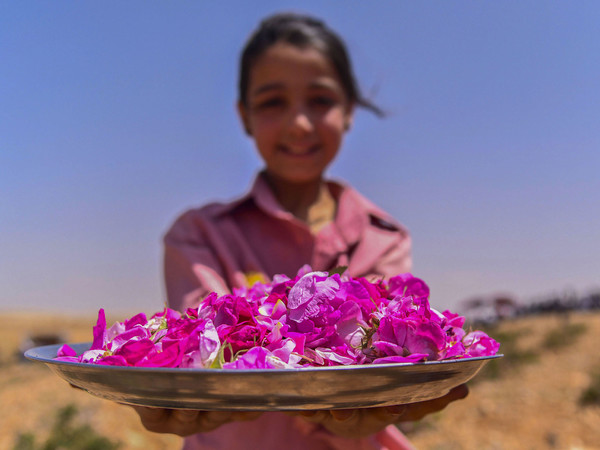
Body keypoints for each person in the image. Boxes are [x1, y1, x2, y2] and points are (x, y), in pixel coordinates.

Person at [133, 12, 468, 450]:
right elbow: (203, 348)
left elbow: (378, 356)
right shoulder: (197, 235)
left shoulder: (384, 237)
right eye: (273, 102)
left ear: (349, 110)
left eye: (320, 100)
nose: (299, 124)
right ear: (245, 116)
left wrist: (373, 406)